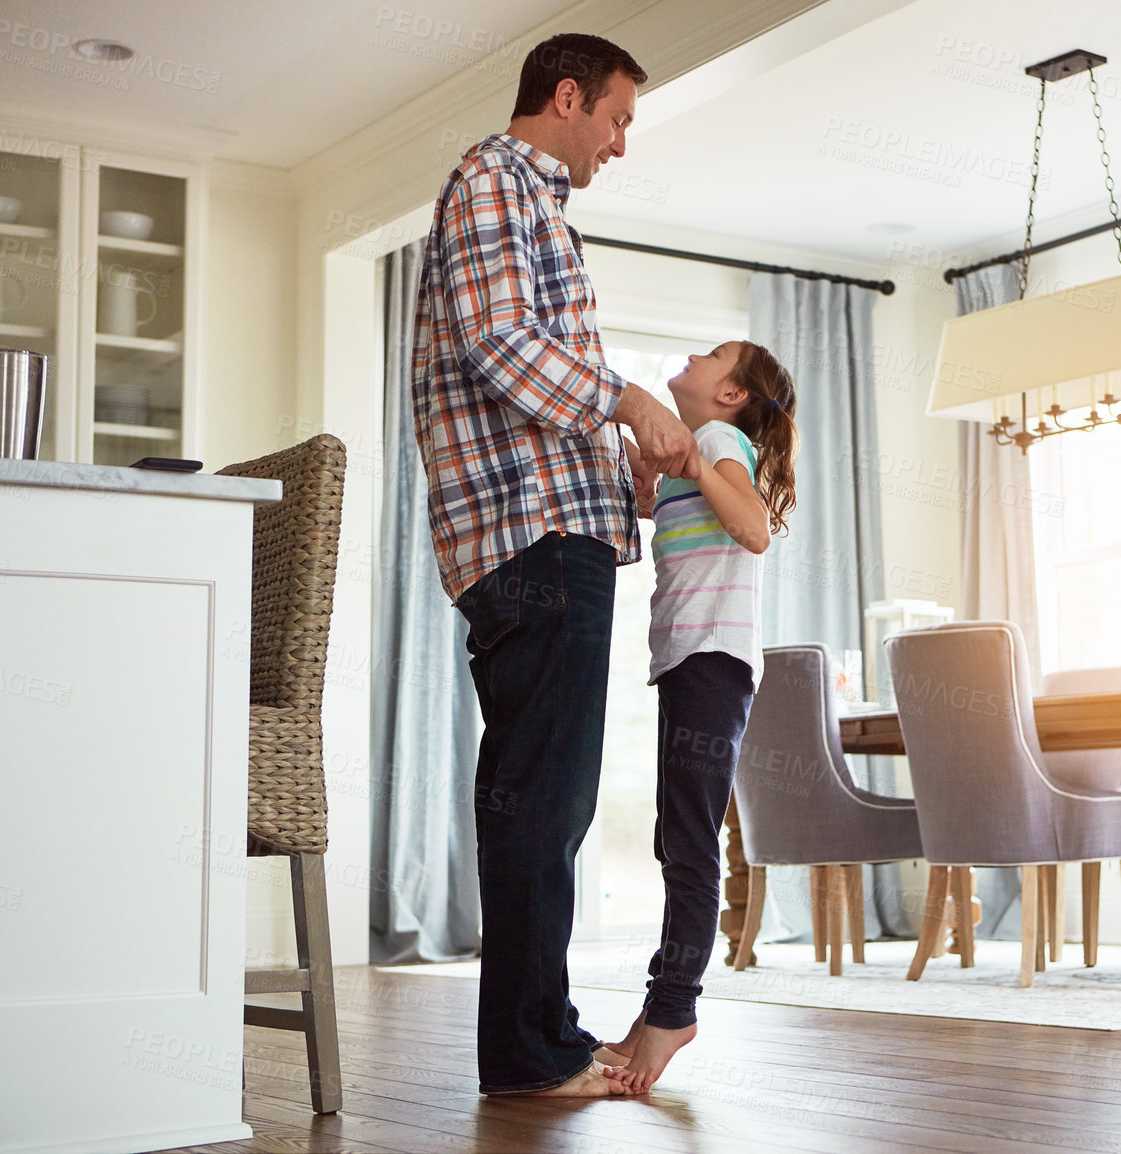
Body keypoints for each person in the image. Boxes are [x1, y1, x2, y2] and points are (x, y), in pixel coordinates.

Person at [411, 33, 699, 1099]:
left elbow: (525, 366)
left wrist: (620, 454)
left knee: (538, 798)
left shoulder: (531, 205)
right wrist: (626, 399)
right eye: (617, 118)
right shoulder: (496, 177)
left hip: (544, 536)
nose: (619, 144)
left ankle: (528, 1043)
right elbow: (496, 339)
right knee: (542, 802)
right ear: (567, 97)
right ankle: (535, 1052)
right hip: (532, 544)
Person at [599, 340, 799, 1094]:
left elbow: (753, 529)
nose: (691, 353)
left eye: (712, 355)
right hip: (694, 663)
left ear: (732, 396)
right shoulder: (709, 450)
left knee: (688, 844)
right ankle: (657, 1010)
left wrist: (702, 467)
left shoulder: (722, 442)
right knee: (676, 835)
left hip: (711, 660)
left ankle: (673, 1012)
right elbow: (664, 511)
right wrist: (653, 473)